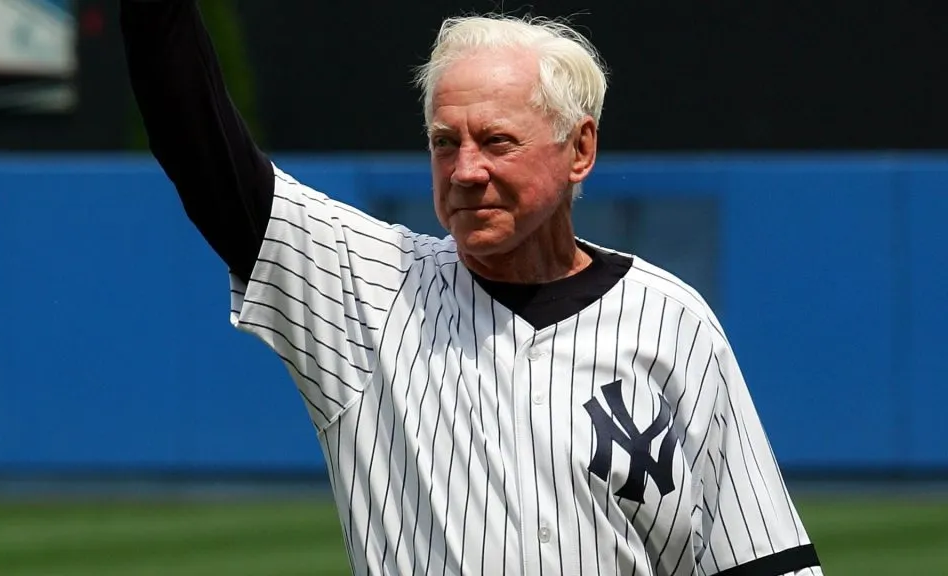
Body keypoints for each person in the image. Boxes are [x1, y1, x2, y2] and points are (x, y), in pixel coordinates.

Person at [121, 1, 824, 574]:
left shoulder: (673, 323)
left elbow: (760, 558)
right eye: (443, 142)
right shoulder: (369, 291)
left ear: (579, 150)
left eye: (496, 141)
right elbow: (197, 141)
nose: (464, 169)